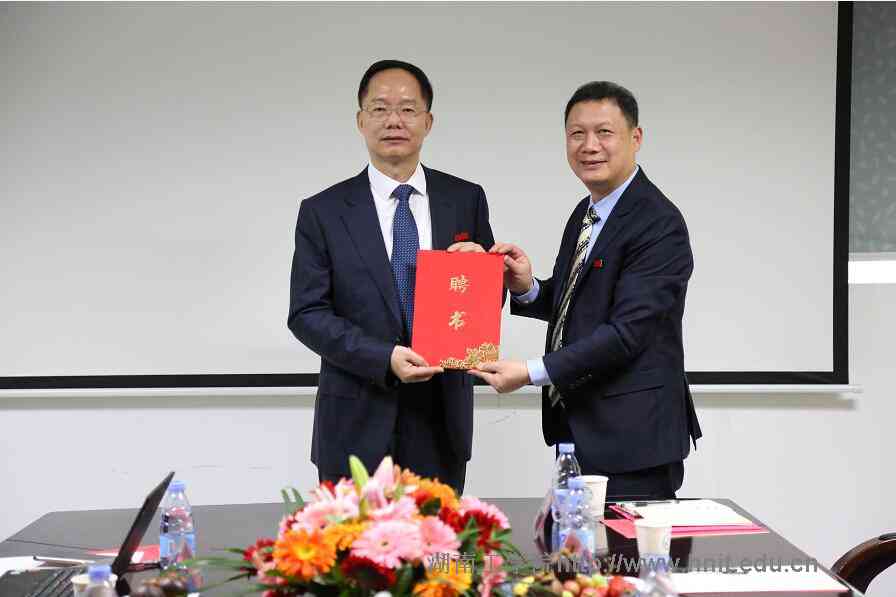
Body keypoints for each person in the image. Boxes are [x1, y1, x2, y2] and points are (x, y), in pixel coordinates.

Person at [471, 81, 702, 500]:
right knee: (577, 541)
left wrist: (532, 372)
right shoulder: (587, 211)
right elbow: (581, 305)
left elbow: (626, 333)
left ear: (636, 138)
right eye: (577, 134)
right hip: (580, 428)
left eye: (604, 132)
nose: (589, 146)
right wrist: (527, 288)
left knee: (623, 544)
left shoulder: (658, 223)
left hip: (634, 441)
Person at [288, 60, 496, 492]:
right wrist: (383, 357)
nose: (394, 121)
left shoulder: (465, 199)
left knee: (441, 537)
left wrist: (484, 277)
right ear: (361, 121)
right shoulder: (323, 211)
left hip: (441, 423)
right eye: (380, 109)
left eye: (407, 109)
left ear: (428, 122)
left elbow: (486, 307)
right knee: (353, 538)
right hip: (354, 423)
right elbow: (307, 314)